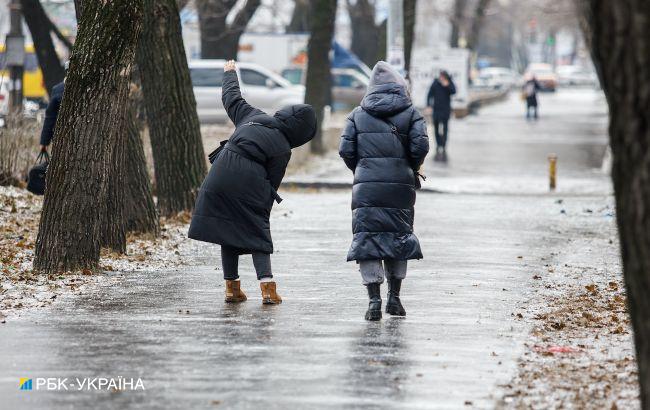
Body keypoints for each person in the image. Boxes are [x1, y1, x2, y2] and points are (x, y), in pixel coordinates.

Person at [188, 60, 317, 305]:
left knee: (227, 230)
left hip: (219, 175)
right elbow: (271, 184)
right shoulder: (282, 148)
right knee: (257, 230)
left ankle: (232, 289)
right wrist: (263, 211)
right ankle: (267, 288)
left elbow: (232, 98)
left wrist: (229, 73)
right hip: (249, 182)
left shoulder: (252, 115)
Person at [339, 61, 429, 321]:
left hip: (367, 185)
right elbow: (420, 147)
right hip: (400, 184)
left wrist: (362, 168)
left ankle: (374, 301)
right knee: (399, 236)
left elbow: (346, 150)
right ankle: (395, 299)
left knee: (367, 238)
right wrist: (408, 167)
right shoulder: (412, 113)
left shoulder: (357, 115)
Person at [426, 70, 456, 161]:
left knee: (445, 128)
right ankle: (438, 144)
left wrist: (447, 85)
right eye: (441, 76)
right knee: (436, 128)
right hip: (436, 110)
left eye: (443, 76)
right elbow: (429, 94)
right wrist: (428, 105)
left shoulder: (449, 82)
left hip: (446, 110)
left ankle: (444, 145)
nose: (441, 78)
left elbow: (454, 91)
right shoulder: (435, 83)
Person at [39, 62, 68, 152]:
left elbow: (50, 117)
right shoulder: (58, 89)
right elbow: (50, 116)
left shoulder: (58, 89)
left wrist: (44, 142)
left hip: (61, 135)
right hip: (61, 136)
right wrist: (44, 141)